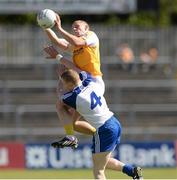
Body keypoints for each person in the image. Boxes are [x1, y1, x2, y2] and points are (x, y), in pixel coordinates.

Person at [53, 69, 143, 180]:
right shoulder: (91, 83)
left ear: (70, 84)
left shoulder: (73, 97)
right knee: (101, 161)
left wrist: (59, 79)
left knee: (98, 170)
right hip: (114, 122)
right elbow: (83, 72)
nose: (64, 86)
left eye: (64, 84)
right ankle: (133, 171)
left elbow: (60, 99)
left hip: (104, 128)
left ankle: (70, 137)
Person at [42, 14, 103, 148]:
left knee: (61, 101)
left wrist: (59, 28)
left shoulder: (91, 36)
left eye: (78, 27)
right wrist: (45, 26)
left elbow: (77, 42)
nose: (75, 29)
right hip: (83, 83)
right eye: (73, 27)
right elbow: (58, 42)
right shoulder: (74, 46)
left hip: (93, 83)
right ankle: (97, 134)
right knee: (73, 122)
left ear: (86, 29)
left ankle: (74, 136)